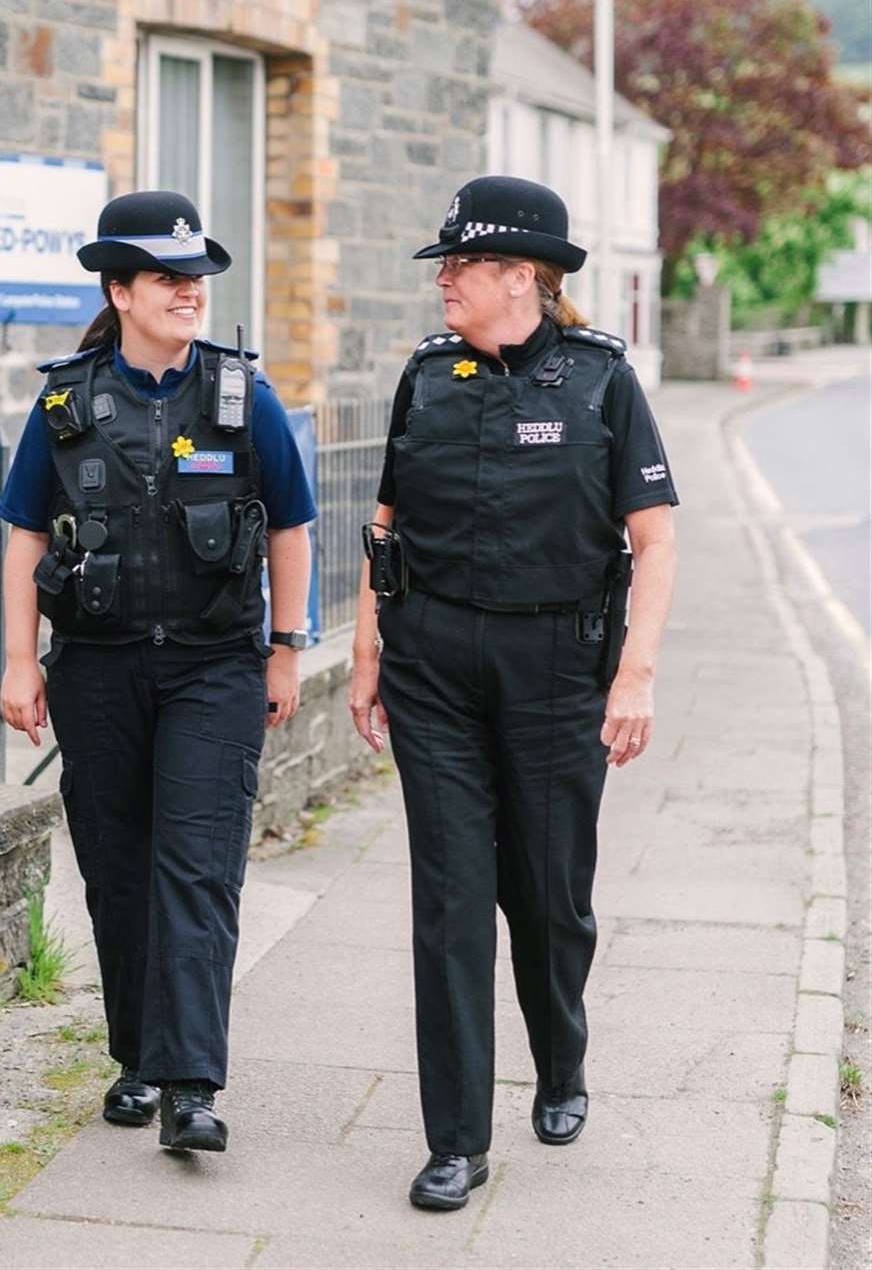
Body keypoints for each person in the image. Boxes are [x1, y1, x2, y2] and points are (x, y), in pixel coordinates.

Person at [350, 175, 678, 1211]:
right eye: (445, 265)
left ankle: (562, 1060)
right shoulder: (426, 380)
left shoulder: (601, 384)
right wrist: (366, 656)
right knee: (449, 903)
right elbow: (385, 524)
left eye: (460, 265)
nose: (443, 281)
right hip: (435, 667)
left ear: (522, 276)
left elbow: (656, 538)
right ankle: (457, 1139)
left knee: (547, 899)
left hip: (555, 675)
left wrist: (635, 675)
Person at [0, 190, 315, 1155]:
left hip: (216, 665)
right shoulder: (65, 400)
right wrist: (19, 661)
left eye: (196, 278)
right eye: (169, 278)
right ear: (121, 289)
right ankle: (136, 1058)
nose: (189, 293)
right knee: (116, 865)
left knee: (196, 864)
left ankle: (190, 1085)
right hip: (97, 667)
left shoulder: (239, 393)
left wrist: (288, 645)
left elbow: (294, 523)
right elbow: (19, 531)